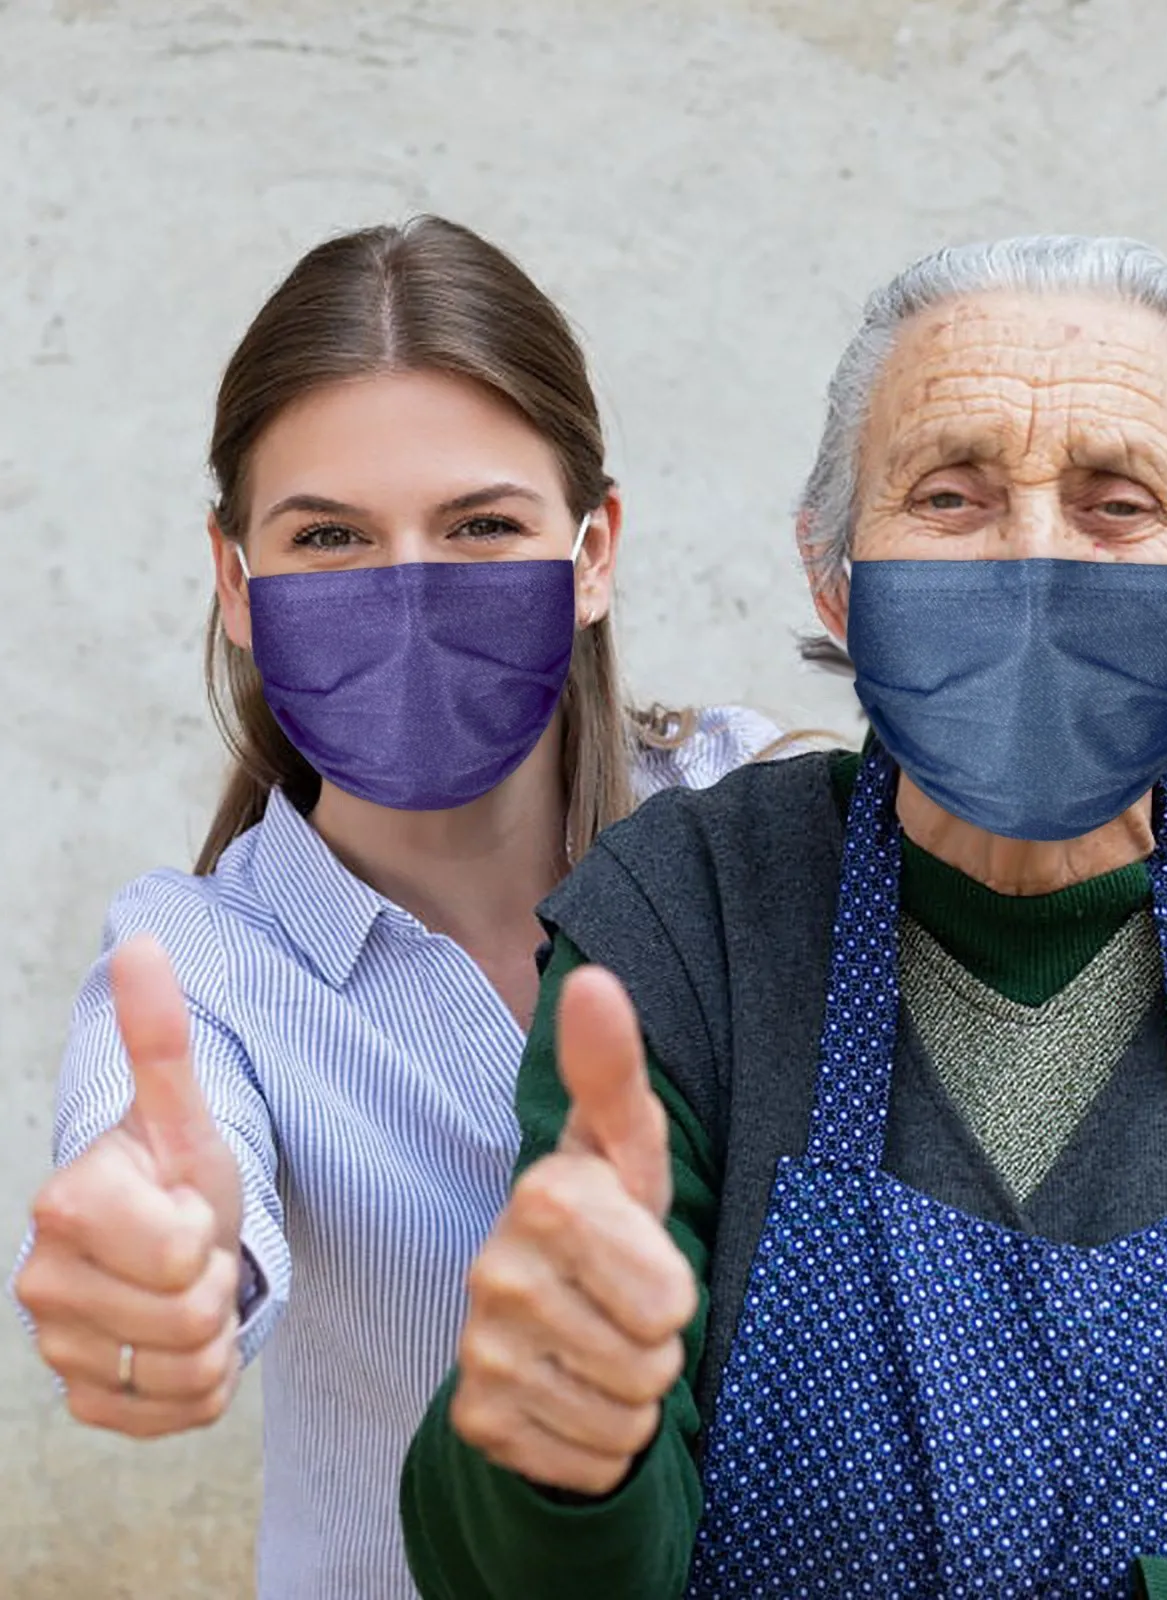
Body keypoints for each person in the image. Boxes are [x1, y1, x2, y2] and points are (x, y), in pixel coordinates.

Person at [400, 235, 1167, 1599]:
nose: (1034, 560)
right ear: (834, 578)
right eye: (951, 497)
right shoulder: (683, 923)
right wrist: (561, 1455)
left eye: (1117, 504)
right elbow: (521, 1567)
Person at [8, 218, 784, 1600]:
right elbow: (163, 1172)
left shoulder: (755, 817)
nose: (410, 594)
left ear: (593, 551)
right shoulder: (195, 963)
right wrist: (165, 1278)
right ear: (236, 581)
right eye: (329, 537)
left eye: (483, 526)